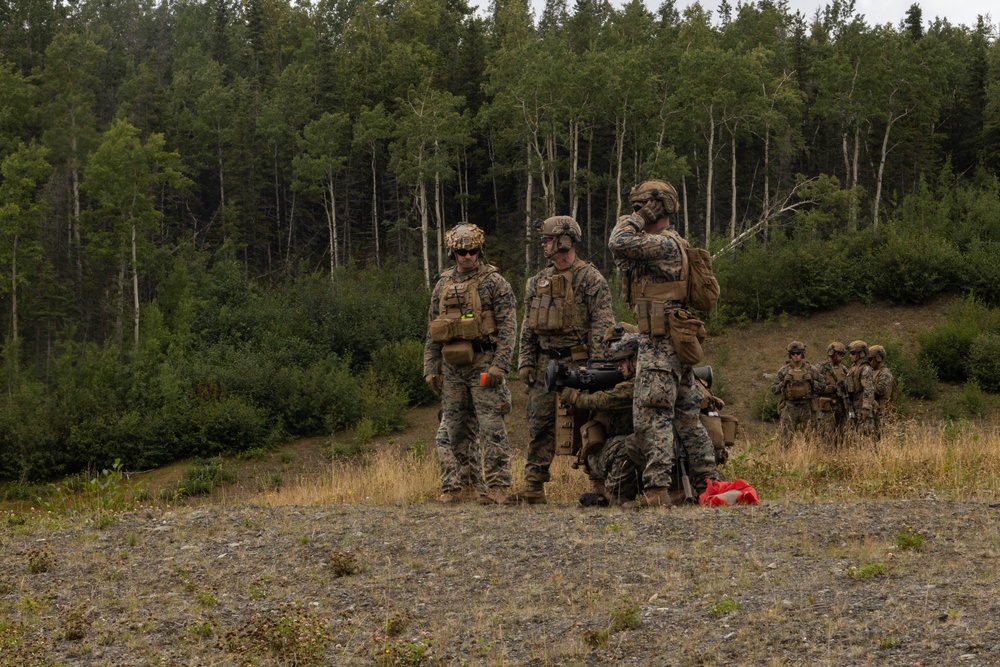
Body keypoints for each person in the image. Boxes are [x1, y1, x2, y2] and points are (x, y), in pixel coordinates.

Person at [608, 179, 722, 507]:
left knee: (651, 412)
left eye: (641, 206)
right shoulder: (666, 245)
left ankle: (657, 490)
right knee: (686, 413)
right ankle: (708, 483)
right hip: (666, 339)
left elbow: (618, 241)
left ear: (658, 207)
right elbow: (626, 259)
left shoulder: (665, 244)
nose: (636, 212)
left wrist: (638, 218)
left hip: (661, 342)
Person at [510, 215, 615, 505]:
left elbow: (602, 327)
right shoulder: (537, 282)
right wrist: (526, 361)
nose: (543, 244)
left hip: (579, 365)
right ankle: (533, 486)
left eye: (548, 239)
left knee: (589, 425)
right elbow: (528, 326)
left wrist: (597, 370)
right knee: (539, 426)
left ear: (565, 241)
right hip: (546, 366)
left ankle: (600, 486)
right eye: (543, 240)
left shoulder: (591, 280)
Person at [423, 223, 517, 505]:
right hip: (452, 367)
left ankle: (498, 487)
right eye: (462, 252)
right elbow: (433, 330)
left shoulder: (495, 283)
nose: (468, 257)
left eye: (473, 251)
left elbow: (509, 328)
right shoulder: (443, 285)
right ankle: (458, 487)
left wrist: (500, 365)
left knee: (491, 428)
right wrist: (430, 366)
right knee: (453, 429)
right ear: (453, 253)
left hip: (484, 362)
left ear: (480, 250)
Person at [562, 327, 643, 506]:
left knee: (634, 443)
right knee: (629, 444)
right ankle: (615, 494)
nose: (619, 366)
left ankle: (614, 494)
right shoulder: (613, 380)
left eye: (622, 360)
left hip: (632, 452)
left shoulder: (640, 381)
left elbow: (611, 399)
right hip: (608, 454)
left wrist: (578, 399)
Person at [770, 341, 819, 445]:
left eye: (798, 353)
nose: (796, 356)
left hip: (807, 407)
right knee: (785, 438)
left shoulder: (811, 370)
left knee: (811, 438)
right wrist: (783, 383)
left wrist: (812, 382)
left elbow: (824, 388)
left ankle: (810, 458)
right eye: (793, 353)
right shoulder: (784, 370)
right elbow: (774, 390)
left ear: (802, 354)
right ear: (790, 355)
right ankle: (786, 459)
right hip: (790, 406)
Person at [814, 342, 849, 446]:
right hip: (827, 407)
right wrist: (825, 388)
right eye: (839, 354)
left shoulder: (843, 369)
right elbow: (813, 385)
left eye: (843, 355)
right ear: (831, 353)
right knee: (826, 434)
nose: (841, 357)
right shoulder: (821, 368)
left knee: (841, 433)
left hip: (841, 405)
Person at [844, 339, 875, 436]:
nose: (850, 356)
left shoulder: (865, 368)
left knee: (865, 436)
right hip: (854, 405)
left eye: (853, 353)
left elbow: (868, 389)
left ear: (861, 354)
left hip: (862, 406)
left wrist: (866, 407)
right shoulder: (853, 368)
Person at [869, 345, 897, 437]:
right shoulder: (873, 372)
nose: (869, 362)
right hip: (874, 411)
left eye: (870, 359)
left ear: (878, 359)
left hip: (882, 413)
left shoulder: (885, 374)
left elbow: (880, 390)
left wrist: (865, 387)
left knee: (880, 438)